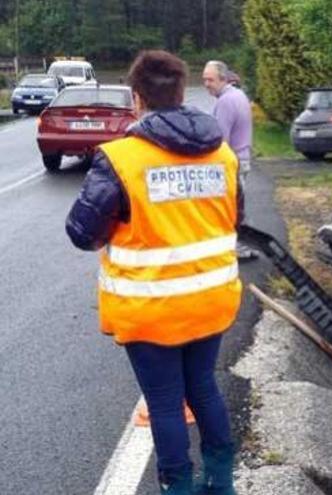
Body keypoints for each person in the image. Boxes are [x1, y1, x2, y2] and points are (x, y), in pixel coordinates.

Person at [66, 50, 242, 495]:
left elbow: (82, 232)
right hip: (212, 298)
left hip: (151, 308)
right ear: (183, 93)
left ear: (137, 98)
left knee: (165, 401)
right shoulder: (221, 154)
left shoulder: (122, 158)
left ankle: (178, 487)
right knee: (203, 386)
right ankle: (220, 482)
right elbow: (234, 216)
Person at [202, 60, 256, 260]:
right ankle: (245, 244)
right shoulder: (238, 95)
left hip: (232, 162)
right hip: (242, 158)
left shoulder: (225, 102)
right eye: (204, 80)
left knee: (231, 208)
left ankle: (240, 248)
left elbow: (219, 140)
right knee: (238, 206)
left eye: (210, 80)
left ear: (223, 79)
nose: (207, 84)